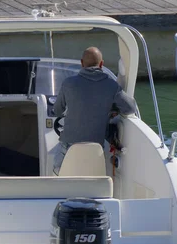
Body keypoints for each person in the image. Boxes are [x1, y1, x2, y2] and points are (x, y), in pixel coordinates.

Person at [52, 46, 137, 175]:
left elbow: (57, 111)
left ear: (82, 63)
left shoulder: (68, 83)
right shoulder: (111, 85)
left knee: (56, 170)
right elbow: (130, 108)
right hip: (95, 148)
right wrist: (111, 109)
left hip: (69, 146)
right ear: (101, 64)